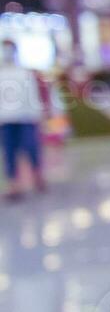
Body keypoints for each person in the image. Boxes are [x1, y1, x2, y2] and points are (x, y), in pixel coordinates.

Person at [0, 40, 46, 199]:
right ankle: (14, 185)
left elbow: (32, 95)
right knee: (9, 152)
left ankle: (38, 177)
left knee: (31, 147)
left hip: (26, 117)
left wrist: (37, 116)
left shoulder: (24, 73)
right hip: (6, 120)